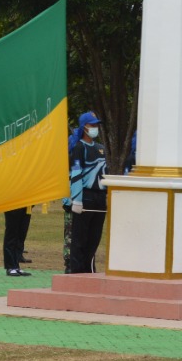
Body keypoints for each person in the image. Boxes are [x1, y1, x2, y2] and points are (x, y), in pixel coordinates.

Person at [67, 111, 107, 274]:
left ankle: (89, 271)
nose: (95, 128)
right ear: (84, 127)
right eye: (92, 124)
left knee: (94, 240)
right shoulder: (78, 148)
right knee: (79, 240)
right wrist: (76, 199)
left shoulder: (101, 149)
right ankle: (76, 272)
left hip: (100, 199)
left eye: (96, 124)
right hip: (85, 197)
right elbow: (75, 173)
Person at [3, 206, 32, 277]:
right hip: (13, 206)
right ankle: (10, 266)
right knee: (12, 235)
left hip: (26, 206)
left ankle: (16, 265)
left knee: (21, 235)